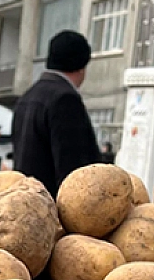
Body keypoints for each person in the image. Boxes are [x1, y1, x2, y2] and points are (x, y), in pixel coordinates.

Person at [13, 30, 103, 194]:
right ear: (82, 66)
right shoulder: (65, 99)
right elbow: (74, 169)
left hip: (25, 200)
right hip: (53, 206)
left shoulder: (27, 96)